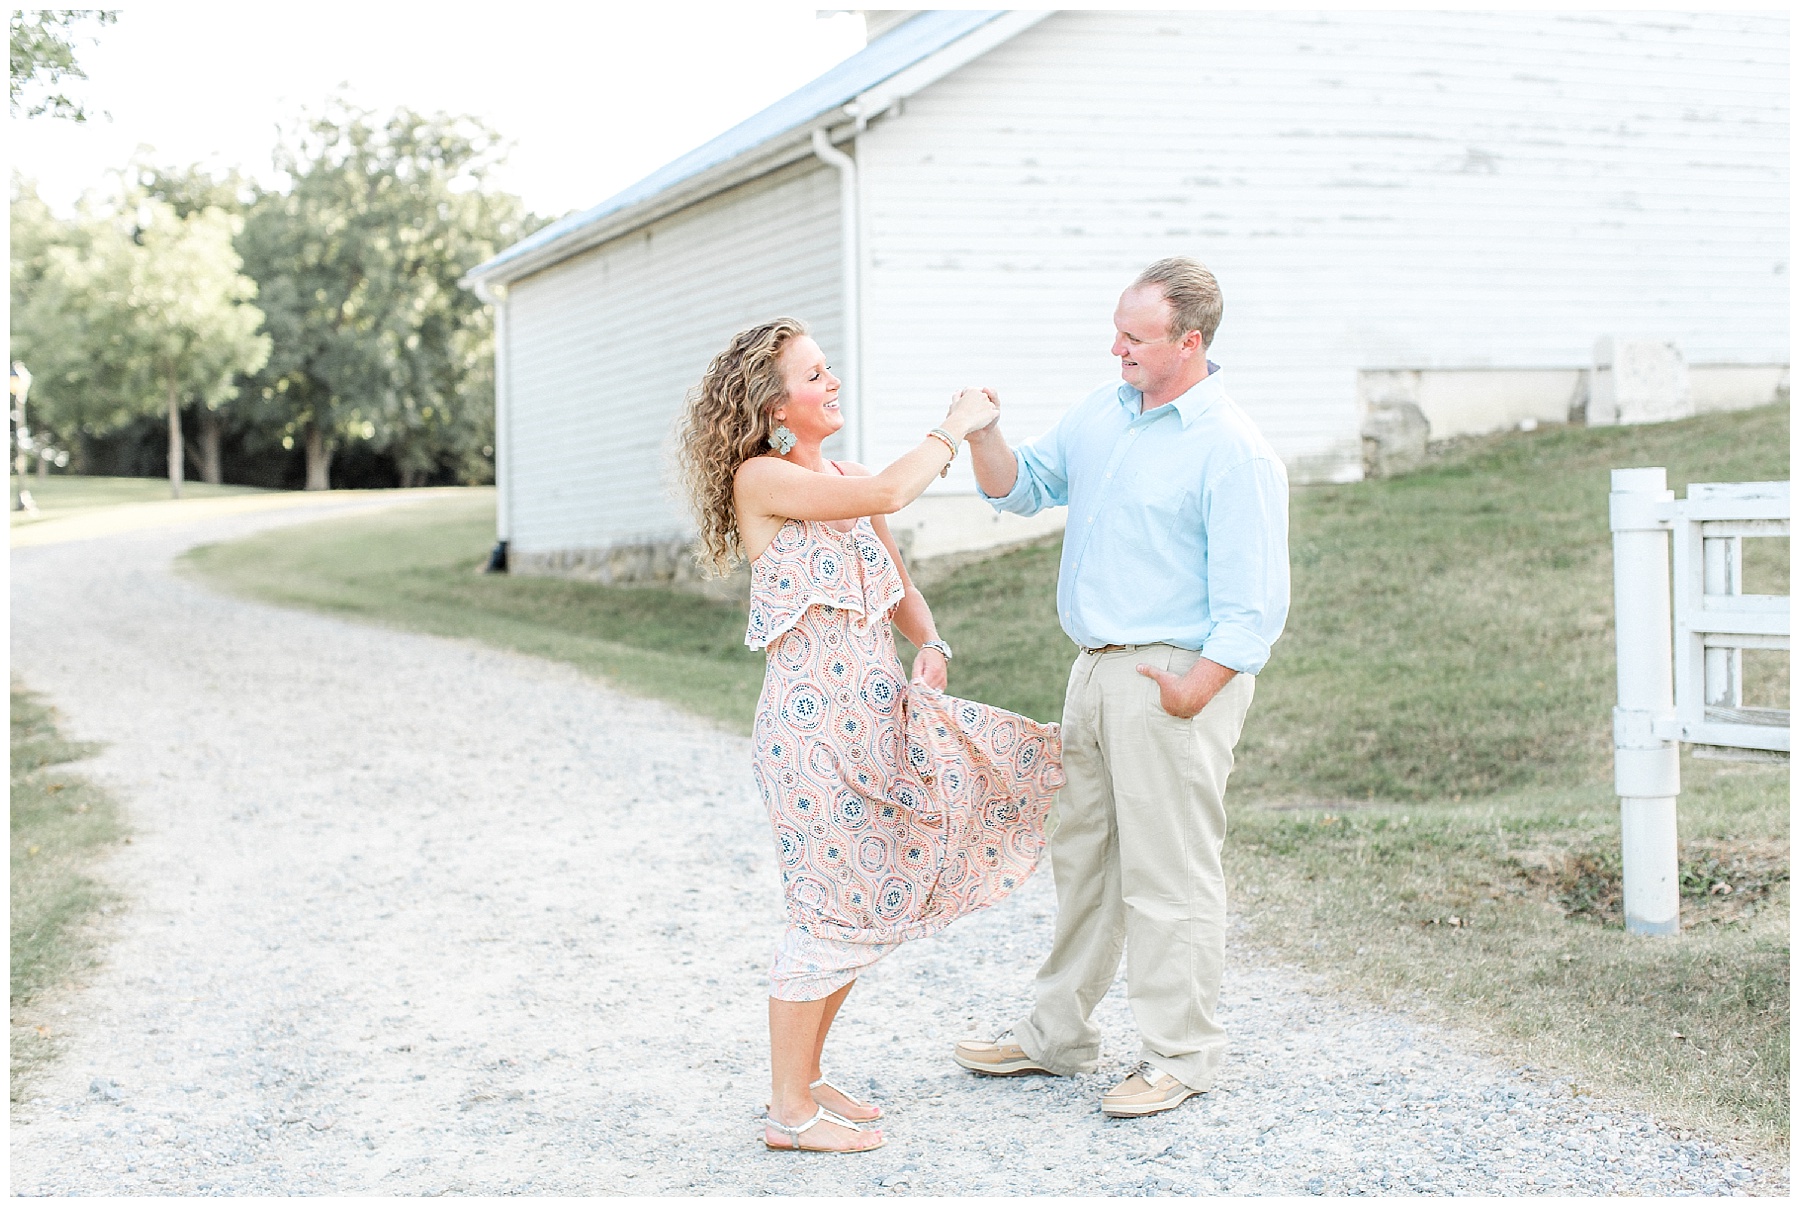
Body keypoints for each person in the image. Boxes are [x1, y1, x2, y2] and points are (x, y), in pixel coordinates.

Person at [676, 318, 1066, 1153]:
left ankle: (808, 1078)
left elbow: (895, 583)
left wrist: (932, 643)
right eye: (816, 375)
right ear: (776, 404)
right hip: (810, 735)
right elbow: (894, 493)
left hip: (877, 723)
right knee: (823, 912)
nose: (833, 383)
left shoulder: (844, 475)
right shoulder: (762, 479)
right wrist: (954, 425)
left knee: (863, 907)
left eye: (828, 370)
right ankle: (788, 1112)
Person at [951, 257, 1290, 1118]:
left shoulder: (1233, 448)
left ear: (1190, 341)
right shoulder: (1103, 414)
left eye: (1134, 337)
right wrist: (986, 430)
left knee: (1169, 871)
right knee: (1086, 863)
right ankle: (1054, 1033)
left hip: (1175, 675)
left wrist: (1193, 690)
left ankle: (1182, 1053)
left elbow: (1254, 609)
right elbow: (1017, 487)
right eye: (1117, 331)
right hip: (1094, 670)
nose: (1116, 349)